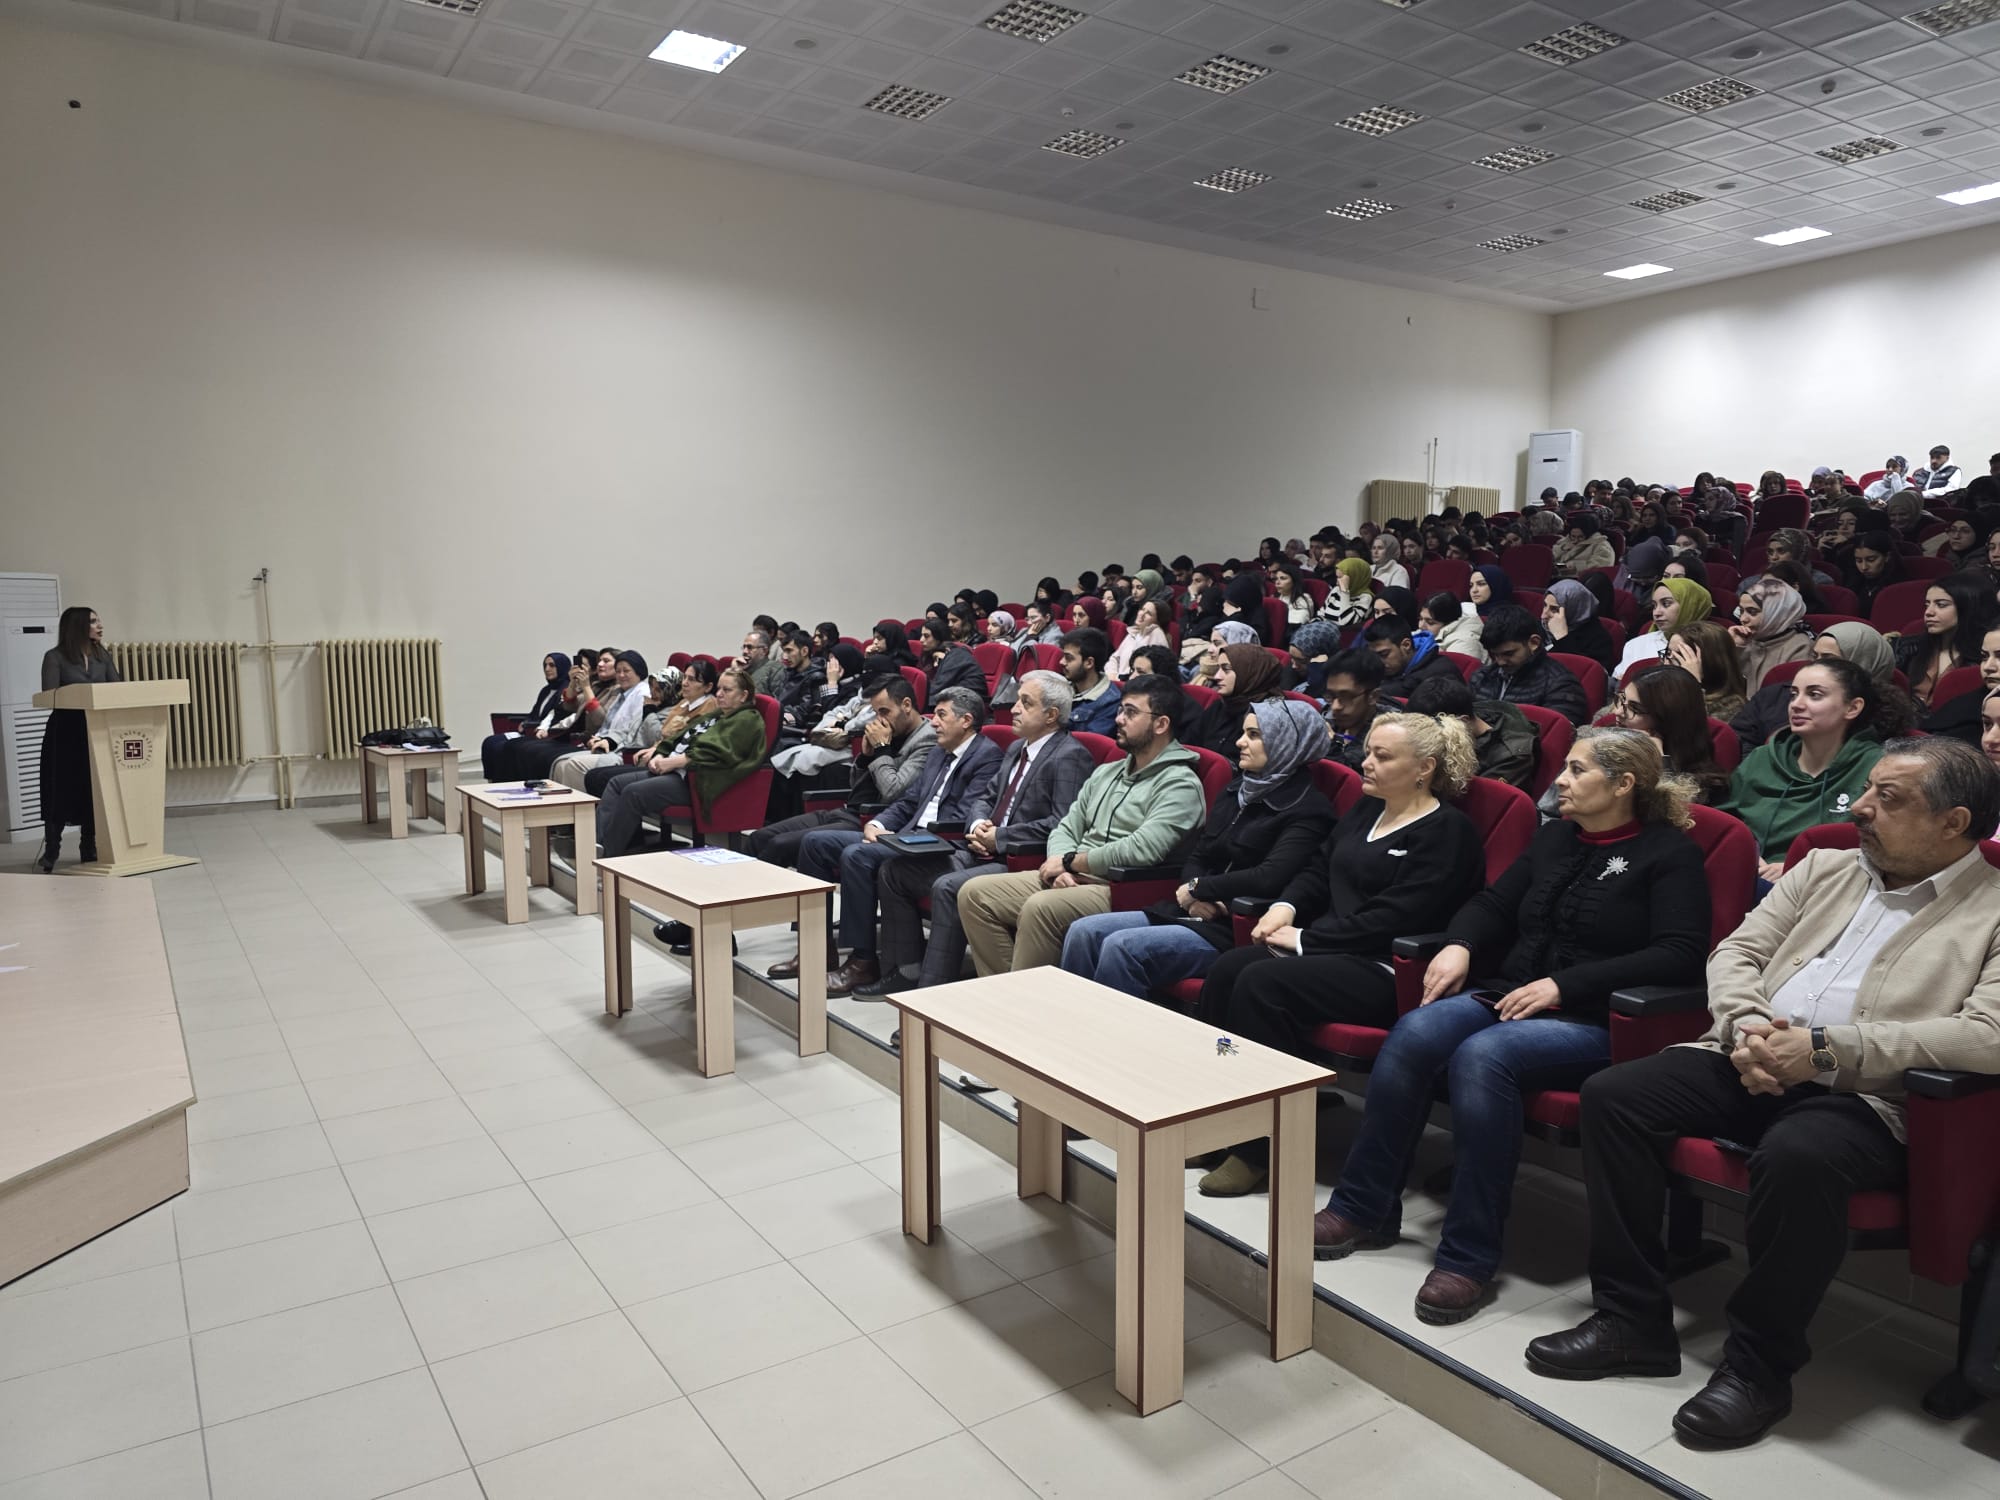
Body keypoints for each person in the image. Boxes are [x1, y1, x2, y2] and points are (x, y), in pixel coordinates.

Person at [1531, 739, 2000, 1446]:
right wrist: (1749, 1028)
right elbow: (1738, 952)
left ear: (1953, 822)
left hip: (1870, 1095)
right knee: (1615, 1096)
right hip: (1748, 1052)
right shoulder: (1824, 866)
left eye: (1888, 799)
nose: (1860, 808)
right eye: (1866, 790)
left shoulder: (1992, 908)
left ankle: (1758, 1368)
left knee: (1799, 1154)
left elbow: (1987, 1034)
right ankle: (1631, 1321)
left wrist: (1824, 1052)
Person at [1313, 729, 1709, 1319]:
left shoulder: (1667, 854)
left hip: (1599, 1018)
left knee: (1484, 1056)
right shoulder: (1556, 838)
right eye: (1564, 767)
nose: (1560, 781)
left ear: (1624, 784)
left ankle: (1468, 1257)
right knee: (1416, 1031)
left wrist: (1564, 985)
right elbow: (1494, 905)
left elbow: (1679, 953)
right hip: (1511, 995)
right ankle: (1362, 1208)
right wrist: (1462, 944)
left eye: (1577, 771)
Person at [1192, 713, 1485, 1196]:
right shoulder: (1368, 809)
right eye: (1367, 752)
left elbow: (1397, 918)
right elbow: (1318, 868)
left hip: (1386, 967)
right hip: (1329, 950)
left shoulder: (1447, 831)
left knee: (1263, 983)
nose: (1365, 763)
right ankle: (1219, 1111)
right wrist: (1286, 906)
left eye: (1382, 756)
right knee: (1227, 969)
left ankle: (1258, 1147)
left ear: (1424, 768)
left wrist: (1305, 939)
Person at [1059, 700, 1335, 999]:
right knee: (1084, 932)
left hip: (1235, 927)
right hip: (1190, 911)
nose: (1240, 742)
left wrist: (1200, 888)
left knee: (1122, 947)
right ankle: (1070, 1021)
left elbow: (1269, 876)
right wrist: (1193, 895)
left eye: (1254, 735)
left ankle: (1110, 1029)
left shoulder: (1309, 810)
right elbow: (1199, 854)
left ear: (1286, 743)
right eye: (1244, 733)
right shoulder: (1237, 790)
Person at [958, 675, 1207, 977]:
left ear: (1161, 724)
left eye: (1130, 712)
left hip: (1122, 886)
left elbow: (1143, 849)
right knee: (974, 894)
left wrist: (1070, 861)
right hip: (1074, 873)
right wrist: (1059, 864)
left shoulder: (1180, 783)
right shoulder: (1108, 772)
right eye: (1120, 710)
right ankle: (1009, 991)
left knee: (1041, 907)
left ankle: (1022, 998)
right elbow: (1067, 826)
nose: (1118, 719)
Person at [862, 672, 1095, 994]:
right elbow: (985, 798)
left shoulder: (1070, 755)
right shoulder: (1017, 748)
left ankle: (935, 991)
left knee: (947, 887)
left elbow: (1061, 823)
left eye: (1025, 703)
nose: (1014, 709)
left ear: (1051, 715)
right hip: (979, 847)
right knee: (894, 871)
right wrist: (978, 824)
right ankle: (905, 970)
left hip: (1019, 860)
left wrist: (999, 836)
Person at [802, 687, 1003, 995]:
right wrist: (878, 824)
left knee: (857, 855)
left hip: (939, 845)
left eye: (941, 715)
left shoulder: (987, 756)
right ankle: (816, 948)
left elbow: (964, 816)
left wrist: (902, 838)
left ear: (966, 721)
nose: (933, 722)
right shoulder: (939, 752)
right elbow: (909, 801)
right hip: (907, 834)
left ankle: (862, 960)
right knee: (815, 843)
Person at [747, 674, 936, 923]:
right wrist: (865, 758)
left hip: (871, 820)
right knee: (759, 838)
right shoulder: (889, 732)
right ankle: (732, 908)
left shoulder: (926, 740)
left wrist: (881, 751)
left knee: (780, 845)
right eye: (875, 713)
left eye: (885, 711)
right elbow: (856, 787)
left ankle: (758, 917)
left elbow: (893, 792)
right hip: (847, 810)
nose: (879, 720)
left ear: (907, 705)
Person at [1724, 658, 1887, 882]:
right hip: (1748, 875)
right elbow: (1724, 821)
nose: (1796, 705)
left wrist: (1797, 867)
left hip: (1829, 883)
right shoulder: (1763, 758)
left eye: (1814, 695)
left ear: (1852, 708)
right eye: (1793, 694)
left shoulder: (1877, 767)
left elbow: (1881, 847)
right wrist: (1747, 852)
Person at [594, 666, 766, 859]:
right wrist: (661, 753)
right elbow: (679, 737)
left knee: (633, 793)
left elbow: (718, 753)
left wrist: (674, 762)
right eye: (719, 689)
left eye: (727, 690)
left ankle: (608, 857)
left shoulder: (747, 719)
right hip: (676, 771)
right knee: (615, 783)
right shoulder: (718, 714)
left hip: (696, 781)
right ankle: (600, 844)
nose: (719, 694)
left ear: (743, 696)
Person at [34, 606, 122, 871]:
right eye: (93, 621)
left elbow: (117, 688)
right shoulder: (55, 657)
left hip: (95, 732)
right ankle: (52, 850)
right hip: (64, 734)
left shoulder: (102, 655)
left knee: (92, 789)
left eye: (99, 620)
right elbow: (50, 695)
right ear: (77, 626)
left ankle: (88, 847)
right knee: (60, 790)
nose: (100, 625)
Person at [1616, 664, 1731, 804]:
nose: (1618, 712)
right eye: (1622, 699)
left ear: (1667, 719)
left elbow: (1669, 811)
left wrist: (1660, 763)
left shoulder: (1706, 786)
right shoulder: (1607, 739)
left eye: (1635, 708)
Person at [1403, 675, 1535, 789]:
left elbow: (1473, 800)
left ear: (1461, 722)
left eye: (1428, 730)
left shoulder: (1512, 755)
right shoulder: (1462, 712)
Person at [1468, 604, 1589, 724]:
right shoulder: (1481, 676)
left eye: (1508, 654)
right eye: (1495, 654)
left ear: (1534, 643)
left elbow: (1554, 732)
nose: (1500, 662)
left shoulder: (1561, 684)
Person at [1894, 573, 1996, 709]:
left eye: (1941, 605)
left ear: (1967, 608)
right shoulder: (1907, 647)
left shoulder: (1986, 657)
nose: (1928, 612)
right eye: (1927, 604)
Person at [480, 651, 571, 782]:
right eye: (545, 665)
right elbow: (534, 713)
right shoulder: (546, 690)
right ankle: (491, 781)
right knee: (490, 742)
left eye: (552, 665)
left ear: (562, 667)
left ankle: (504, 782)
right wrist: (526, 722)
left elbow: (557, 717)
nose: (547, 669)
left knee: (501, 747)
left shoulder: (566, 690)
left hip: (544, 734)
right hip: (529, 730)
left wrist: (533, 725)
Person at [1185, 643, 1284, 762]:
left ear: (1249, 673)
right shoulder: (1221, 705)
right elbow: (1187, 745)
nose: (1217, 676)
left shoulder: (1269, 716)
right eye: (1218, 668)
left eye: (1226, 669)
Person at [1729, 578, 1815, 698]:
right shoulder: (1747, 639)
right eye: (1741, 611)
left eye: (1752, 612)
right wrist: (1735, 647)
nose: (1743, 619)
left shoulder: (1801, 647)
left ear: (1777, 613)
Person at [1616, 577, 1713, 678]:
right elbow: (1619, 683)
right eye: (1654, 606)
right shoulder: (1636, 644)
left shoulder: (1711, 645)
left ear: (1690, 606)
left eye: (1666, 604)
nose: (1656, 613)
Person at [1663, 619, 1749, 725]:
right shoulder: (1665, 688)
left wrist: (1693, 684)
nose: (1666, 663)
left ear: (1708, 661)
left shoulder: (1732, 706)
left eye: (1680, 656)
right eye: (1668, 653)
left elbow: (1692, 730)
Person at [1365, 616, 1459, 700]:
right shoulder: (1386, 668)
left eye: (1384, 654)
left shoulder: (1441, 671)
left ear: (1406, 645)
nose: (1378, 661)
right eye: (1374, 655)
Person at [1540, 580, 1616, 676]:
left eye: (1554, 609)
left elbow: (1587, 676)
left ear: (1572, 608)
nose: (1543, 615)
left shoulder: (1599, 640)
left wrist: (1562, 638)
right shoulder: (1540, 627)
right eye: (1545, 605)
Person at [1058, 626, 1122, 736]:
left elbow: (1085, 744)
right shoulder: (1062, 685)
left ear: (1089, 663)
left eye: (1069, 658)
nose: (1061, 662)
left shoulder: (1110, 703)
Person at [1843, 531, 1906, 619]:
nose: (1864, 567)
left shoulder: (1900, 587)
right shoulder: (1854, 583)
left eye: (1871, 560)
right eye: (1859, 561)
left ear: (1887, 556)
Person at [1106, 597, 1172, 681]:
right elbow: (1115, 658)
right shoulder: (1134, 632)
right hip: (1117, 680)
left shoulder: (1157, 635)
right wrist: (1112, 674)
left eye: (1148, 613)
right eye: (1142, 609)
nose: (1142, 614)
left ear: (1158, 620)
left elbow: (1152, 673)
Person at [1419, 592, 1487, 664]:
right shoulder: (1426, 633)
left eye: (1430, 622)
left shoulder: (1464, 643)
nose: (1421, 626)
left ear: (1448, 622)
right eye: (1420, 619)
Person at [1318, 557, 1374, 631]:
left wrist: (1344, 592)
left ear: (1354, 577)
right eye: (1337, 577)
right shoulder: (1336, 589)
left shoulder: (1366, 598)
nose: (1337, 583)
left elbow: (1347, 622)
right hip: (1323, 628)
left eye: (1341, 578)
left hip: (1342, 633)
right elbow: (1322, 613)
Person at [1271, 562, 1314, 633]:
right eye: (1276, 579)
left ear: (1294, 581)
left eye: (1283, 578)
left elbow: (1296, 624)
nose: (1277, 582)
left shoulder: (1303, 599)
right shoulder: (1275, 597)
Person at [739, 628, 783, 696]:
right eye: (744, 647)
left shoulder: (776, 670)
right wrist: (736, 670)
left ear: (764, 651)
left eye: (750, 647)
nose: (745, 651)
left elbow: (778, 700)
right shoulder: (741, 668)